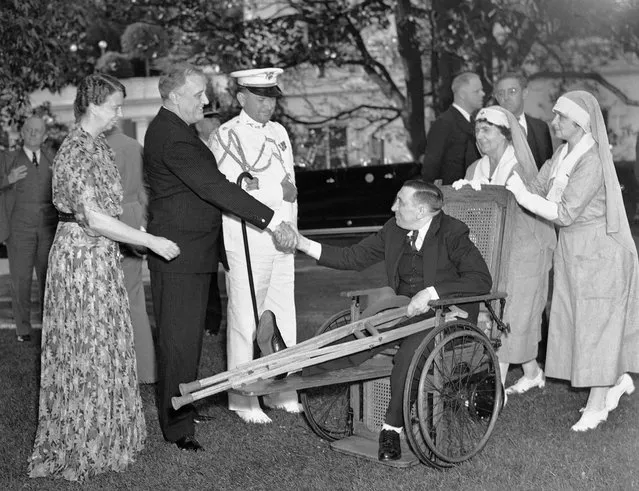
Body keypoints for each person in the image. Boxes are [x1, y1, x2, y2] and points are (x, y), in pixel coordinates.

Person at [28, 74, 180, 481]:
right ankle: (82, 439)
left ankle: (111, 434)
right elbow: (93, 218)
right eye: (114, 105)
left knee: (108, 344)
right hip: (80, 262)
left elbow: (112, 211)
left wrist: (131, 239)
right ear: (94, 104)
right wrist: (150, 240)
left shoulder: (100, 147)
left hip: (102, 259)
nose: (119, 113)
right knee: (86, 347)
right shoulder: (75, 150)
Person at [143, 63, 295, 451]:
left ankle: (185, 405)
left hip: (194, 250)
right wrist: (269, 219)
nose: (206, 101)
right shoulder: (172, 136)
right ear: (175, 97)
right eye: (198, 95)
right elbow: (215, 187)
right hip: (179, 253)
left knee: (190, 336)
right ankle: (177, 428)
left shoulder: (178, 129)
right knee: (179, 339)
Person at [295, 179, 492, 461]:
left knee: (410, 352)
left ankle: (392, 428)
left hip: (447, 317)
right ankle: (295, 364)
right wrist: (302, 243)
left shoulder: (453, 233)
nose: (392, 207)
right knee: (363, 337)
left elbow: (481, 280)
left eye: (400, 201)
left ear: (422, 210)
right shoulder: (394, 230)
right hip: (404, 312)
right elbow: (353, 256)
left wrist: (431, 292)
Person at [506, 90, 639, 431]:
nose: (553, 122)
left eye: (559, 117)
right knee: (581, 321)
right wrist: (501, 186)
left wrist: (522, 193)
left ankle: (597, 404)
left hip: (600, 251)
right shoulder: (563, 153)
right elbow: (535, 189)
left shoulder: (592, 159)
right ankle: (617, 379)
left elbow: (564, 214)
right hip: (573, 251)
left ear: (579, 123)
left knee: (597, 322)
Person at [208, 67, 301, 424]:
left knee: (283, 316)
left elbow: (289, 188)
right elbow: (234, 190)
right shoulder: (226, 135)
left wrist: (292, 230)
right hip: (248, 237)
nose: (268, 106)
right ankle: (244, 399)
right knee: (245, 318)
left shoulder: (279, 132)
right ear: (242, 97)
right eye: (261, 99)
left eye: (272, 99)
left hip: (283, 240)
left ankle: (282, 390)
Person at [452, 106, 556, 396]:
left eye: (487, 130)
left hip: (527, 249)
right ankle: (532, 372)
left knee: (514, 314)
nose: (480, 136)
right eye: (477, 130)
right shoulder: (475, 168)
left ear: (505, 135)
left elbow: (532, 212)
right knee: (498, 311)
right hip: (495, 249)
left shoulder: (520, 167)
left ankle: (494, 387)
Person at [106, 124, 157, 383]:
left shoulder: (99, 147)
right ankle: (146, 369)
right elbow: (145, 189)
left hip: (110, 220)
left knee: (109, 300)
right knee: (135, 298)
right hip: (134, 215)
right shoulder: (134, 146)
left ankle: (116, 368)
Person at [0, 116, 57, 342]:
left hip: (48, 229)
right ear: (22, 133)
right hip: (19, 230)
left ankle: (48, 328)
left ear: (44, 136)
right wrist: (7, 179)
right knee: (21, 280)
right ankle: (23, 330)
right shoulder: (8, 158)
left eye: (38, 131)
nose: (33, 134)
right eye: (29, 130)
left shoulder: (54, 159)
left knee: (48, 280)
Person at [194, 108, 226, 336]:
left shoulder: (225, 145)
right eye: (211, 119)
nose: (216, 123)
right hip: (203, 219)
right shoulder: (190, 147)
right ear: (199, 125)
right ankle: (208, 323)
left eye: (217, 119)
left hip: (227, 218)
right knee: (207, 274)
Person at [421, 72, 484, 184]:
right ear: (462, 95)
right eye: (477, 91)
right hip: (451, 196)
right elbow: (430, 169)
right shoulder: (443, 123)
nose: (483, 94)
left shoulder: (474, 122)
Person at [494, 72, 554, 169]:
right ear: (496, 98)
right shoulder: (489, 127)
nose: (506, 97)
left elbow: (548, 166)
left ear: (524, 93)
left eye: (512, 91)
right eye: (501, 93)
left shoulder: (541, 127)